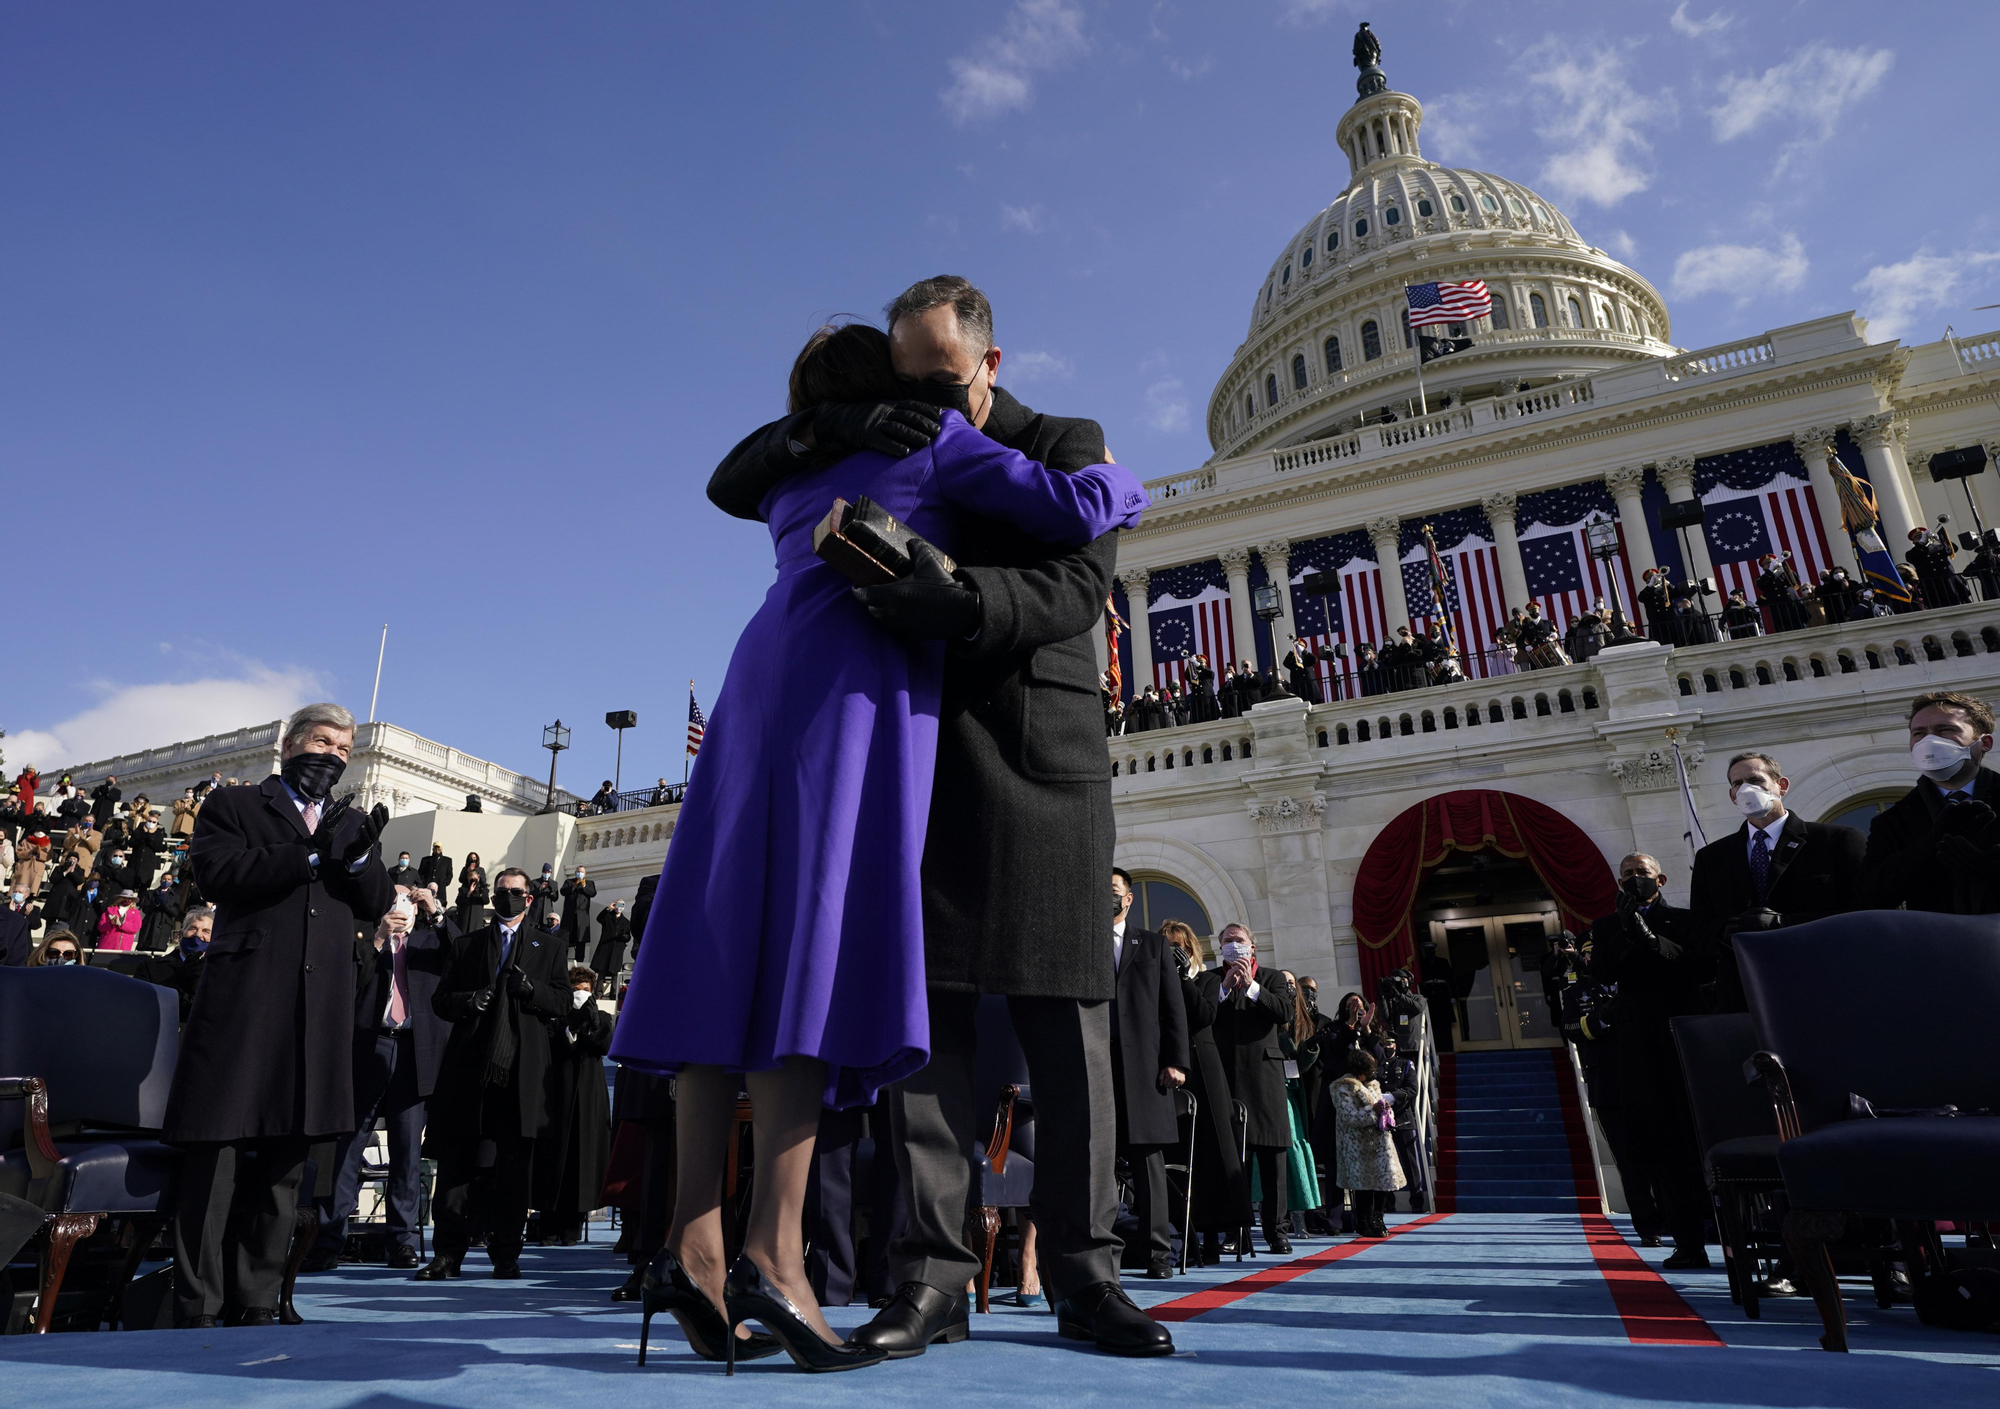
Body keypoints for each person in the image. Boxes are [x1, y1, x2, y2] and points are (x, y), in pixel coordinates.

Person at [640, 290, 1162, 1367]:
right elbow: (1092, 507)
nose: (924, 396)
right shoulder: (925, 445)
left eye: (937, 375)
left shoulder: (1033, 436)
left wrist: (960, 597)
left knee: (1059, 1027)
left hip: (1005, 748)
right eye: (904, 378)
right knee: (871, 1008)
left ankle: (1082, 1270)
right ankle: (904, 1269)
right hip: (887, 741)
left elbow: (1076, 581)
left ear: (987, 356)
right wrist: (1123, 480)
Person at [160, 702, 393, 1329]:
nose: (333, 757)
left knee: (287, 1164)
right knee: (219, 1154)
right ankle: (197, 1306)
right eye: (322, 743)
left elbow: (377, 901)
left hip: (317, 1013)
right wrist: (311, 858)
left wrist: (360, 858)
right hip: (245, 1003)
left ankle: (258, 1298)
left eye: (344, 750)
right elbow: (217, 872)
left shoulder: (351, 825)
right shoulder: (235, 806)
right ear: (290, 745)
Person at [419, 867, 571, 1280]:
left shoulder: (550, 947)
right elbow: (440, 1000)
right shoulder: (467, 944)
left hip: (521, 1074)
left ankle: (506, 1254)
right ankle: (447, 1254)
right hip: (469, 1070)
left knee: (513, 1170)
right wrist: (470, 1001)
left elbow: (562, 1001)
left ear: (530, 897)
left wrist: (532, 992)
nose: (508, 898)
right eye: (502, 892)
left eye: (516, 892)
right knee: (456, 1165)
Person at [303, 883, 453, 1273]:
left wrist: (435, 912)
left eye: (408, 900)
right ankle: (328, 1238)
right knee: (347, 1149)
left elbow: (462, 956)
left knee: (407, 1151)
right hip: (368, 1048)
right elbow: (349, 977)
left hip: (413, 1052)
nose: (401, 907)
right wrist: (380, 934)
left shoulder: (430, 941)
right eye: (394, 900)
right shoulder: (365, 936)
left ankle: (401, 1241)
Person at [1587, 852, 1711, 1268]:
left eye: (1641, 873)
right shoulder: (1606, 927)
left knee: (1698, 1139)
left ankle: (1722, 1233)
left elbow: (1700, 966)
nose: (1634, 879)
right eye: (1627, 875)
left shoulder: (1686, 919)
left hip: (1684, 1039)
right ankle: (1688, 1241)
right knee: (1660, 1144)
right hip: (1639, 1048)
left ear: (1660, 878)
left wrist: (1650, 938)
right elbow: (1602, 973)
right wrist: (1626, 932)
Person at [1689, 751, 1865, 1013]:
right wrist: (1727, 930)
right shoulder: (1711, 858)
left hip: (1823, 984)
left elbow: (1862, 913)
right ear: (1732, 796)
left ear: (1781, 786)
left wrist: (1786, 924)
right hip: (1747, 993)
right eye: (1738, 784)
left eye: (1755, 780)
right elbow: (1699, 930)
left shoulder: (1835, 841)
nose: (1746, 789)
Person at [1107, 869, 1190, 1279]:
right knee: (1098, 1161)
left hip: (1146, 1071)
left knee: (1149, 1166)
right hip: (1098, 1069)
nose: (1106, 897)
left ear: (1128, 899)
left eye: (1113, 890)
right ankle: (1104, 1251)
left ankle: (1159, 1253)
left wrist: (1175, 1061)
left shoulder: (1153, 945)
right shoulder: (1083, 945)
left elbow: (1172, 1008)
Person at [1196, 924, 1296, 1255]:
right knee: (1228, 1158)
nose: (1233, 946)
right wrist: (1224, 989)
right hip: (1224, 1076)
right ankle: (1233, 1229)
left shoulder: (1271, 978)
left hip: (1264, 1077)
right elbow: (1201, 1017)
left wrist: (1251, 987)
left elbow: (1284, 1013)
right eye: (1227, 942)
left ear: (1252, 947)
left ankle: (1276, 1229)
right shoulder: (1209, 980)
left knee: (1272, 1155)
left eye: (1239, 941)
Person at [1860, 691, 2000, 913]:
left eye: (1945, 729)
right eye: (1919, 733)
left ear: (1985, 743)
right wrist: (1932, 842)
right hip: (1941, 942)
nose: (1929, 741)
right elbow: (1873, 895)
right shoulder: (1892, 822)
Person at [1165, 920, 1250, 1263]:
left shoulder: (1207, 979)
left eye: (1179, 947)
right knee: (1178, 1152)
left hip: (1204, 1069)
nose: (1173, 954)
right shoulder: (1156, 982)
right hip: (1169, 1072)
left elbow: (1203, 1015)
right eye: (1167, 948)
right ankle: (1182, 1234)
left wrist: (1183, 977)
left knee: (1214, 1151)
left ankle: (1218, 1234)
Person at [532, 964, 615, 1246]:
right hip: (554, 1098)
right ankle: (548, 1226)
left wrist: (589, 1020)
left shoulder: (601, 1017)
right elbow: (554, 1043)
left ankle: (572, 1227)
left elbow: (602, 1044)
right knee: (552, 1161)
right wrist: (569, 1022)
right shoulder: (553, 1017)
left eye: (586, 991)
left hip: (588, 1100)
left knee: (583, 1159)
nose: (581, 995)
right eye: (577, 990)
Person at [1330, 1050, 1405, 1238]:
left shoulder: (1374, 1086)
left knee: (1383, 1182)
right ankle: (1365, 1221)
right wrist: (1373, 1110)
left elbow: (1383, 1110)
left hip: (1379, 1143)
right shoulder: (1343, 1087)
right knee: (1364, 1186)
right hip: (1358, 1144)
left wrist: (1387, 1112)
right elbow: (1348, 1117)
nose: (1373, 1073)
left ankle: (1378, 1219)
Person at [135, 905, 213, 1022]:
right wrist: (177, 979)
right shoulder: (149, 967)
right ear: (180, 935)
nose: (198, 935)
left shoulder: (221, 972)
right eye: (192, 929)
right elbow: (140, 1006)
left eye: (206, 931)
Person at [591, 899, 633, 995]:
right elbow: (599, 918)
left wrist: (624, 937)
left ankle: (614, 994)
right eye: (618, 904)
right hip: (605, 947)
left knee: (615, 972)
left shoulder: (626, 922)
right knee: (602, 971)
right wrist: (608, 908)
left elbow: (628, 936)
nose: (620, 907)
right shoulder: (608, 917)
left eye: (622, 904)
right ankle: (598, 993)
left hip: (617, 949)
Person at [559, 865, 596, 963]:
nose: (580, 873)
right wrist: (574, 886)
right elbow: (563, 891)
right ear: (575, 873)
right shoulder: (569, 882)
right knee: (565, 939)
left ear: (585, 874)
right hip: (569, 917)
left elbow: (592, 893)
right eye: (578, 871)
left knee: (581, 941)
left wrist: (583, 886)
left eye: (582, 872)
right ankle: (562, 961)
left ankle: (579, 963)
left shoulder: (589, 883)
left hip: (582, 918)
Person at [1283, 637, 1326, 703]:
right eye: (1296, 646)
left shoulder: (1307, 658)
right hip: (1299, 689)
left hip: (1310, 689)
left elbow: (1314, 659)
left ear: (1304, 647)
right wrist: (1292, 651)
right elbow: (1285, 663)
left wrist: (1303, 651)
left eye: (1300, 645)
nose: (1297, 647)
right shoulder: (1293, 661)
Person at [454, 852, 488, 932]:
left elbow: (486, 899)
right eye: (471, 858)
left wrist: (480, 889)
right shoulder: (465, 869)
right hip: (467, 893)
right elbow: (461, 880)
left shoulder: (480, 870)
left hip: (476, 917)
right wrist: (468, 871)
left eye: (475, 858)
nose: (473, 859)